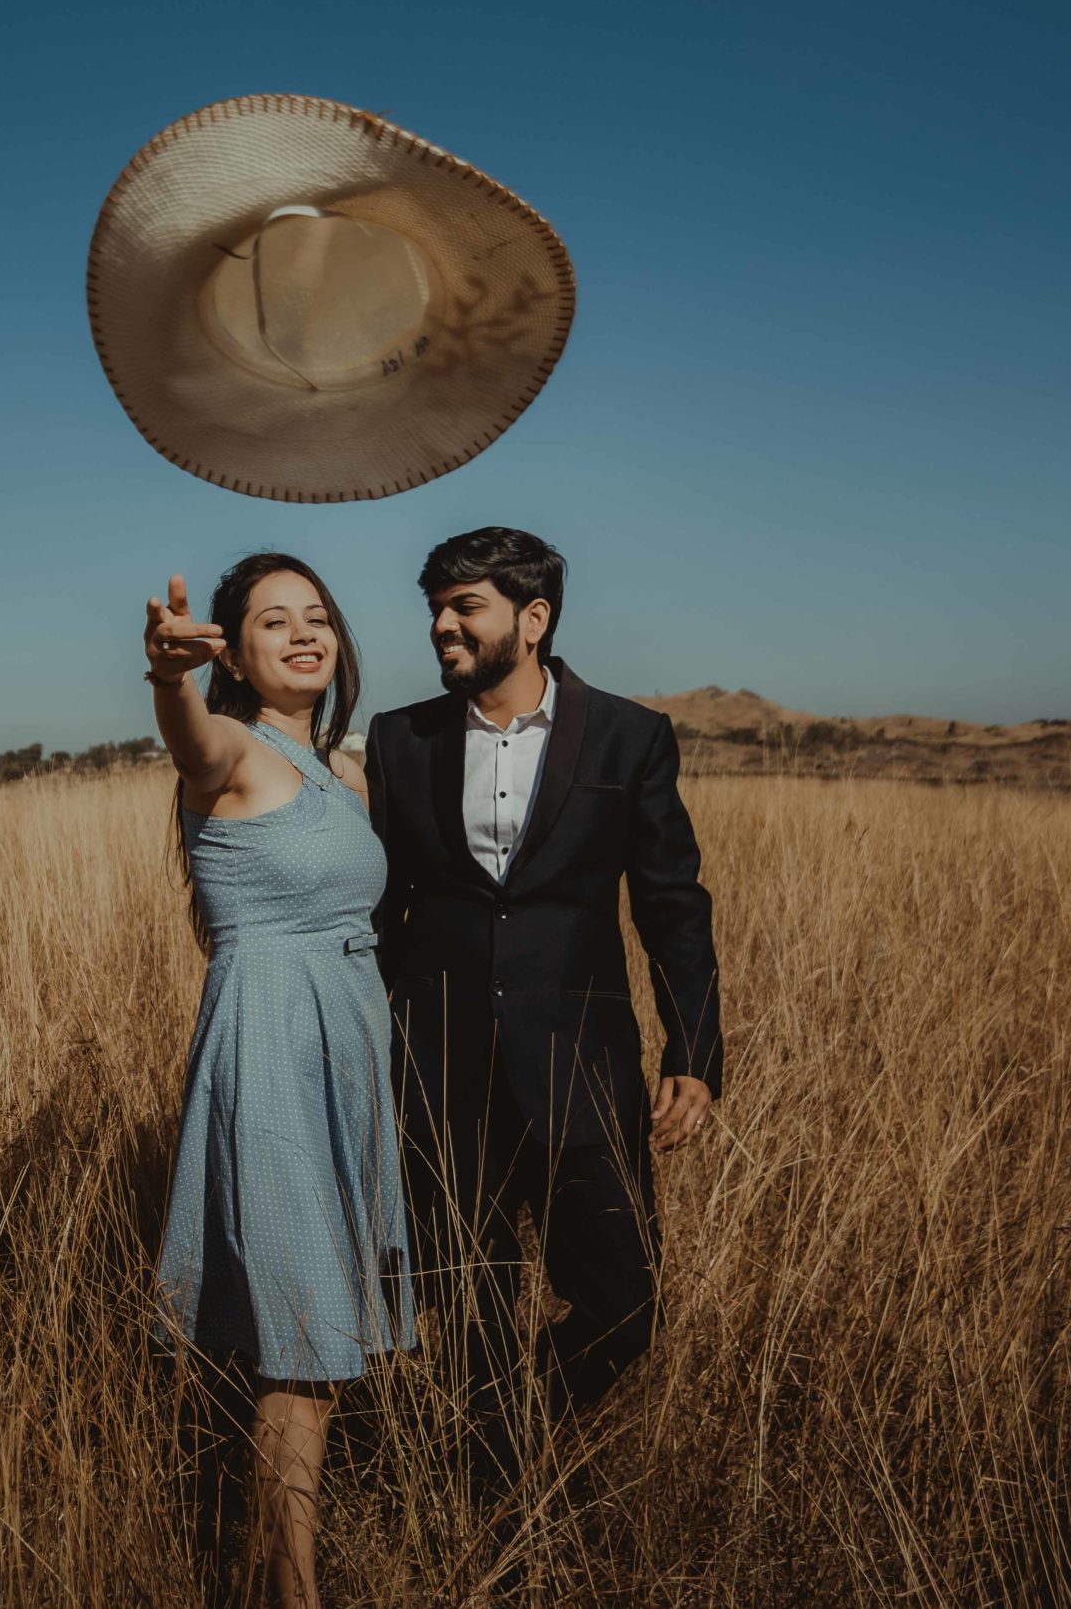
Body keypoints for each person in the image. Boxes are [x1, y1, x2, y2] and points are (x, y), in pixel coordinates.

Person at [361, 526, 725, 1510]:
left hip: (580, 1073)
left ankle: (512, 1427)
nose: (440, 624)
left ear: (533, 618)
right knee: (469, 1316)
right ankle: (494, 1525)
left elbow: (670, 903)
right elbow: (381, 911)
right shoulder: (401, 740)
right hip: (441, 1078)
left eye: (463, 606)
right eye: (434, 606)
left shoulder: (627, 736)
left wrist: (693, 1049)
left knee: (624, 1305)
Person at [143, 552, 420, 1609]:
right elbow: (188, 737)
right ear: (236, 651)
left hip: (346, 1046)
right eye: (272, 621)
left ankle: (282, 1574)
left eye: (317, 617)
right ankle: (292, 1594)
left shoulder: (345, 775)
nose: (302, 633)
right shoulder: (231, 755)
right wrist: (169, 677)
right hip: (270, 1046)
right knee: (302, 1350)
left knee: (322, 1345)